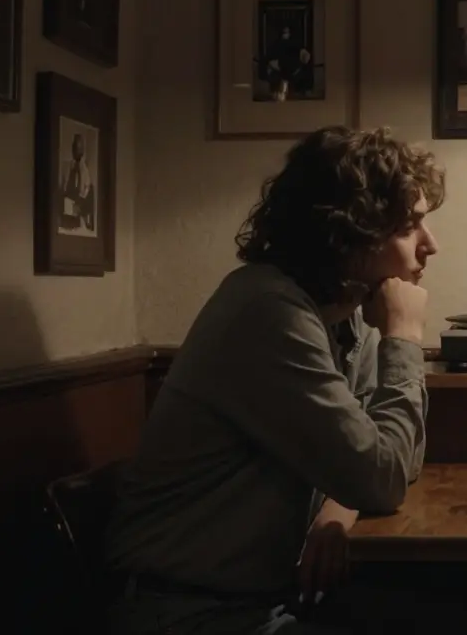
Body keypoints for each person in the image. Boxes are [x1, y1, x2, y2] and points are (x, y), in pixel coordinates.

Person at [104, 126, 444, 634]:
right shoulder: (268, 312)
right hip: (190, 613)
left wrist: (337, 508)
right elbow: (383, 475)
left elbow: (396, 459)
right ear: (351, 233)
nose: (430, 246)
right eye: (410, 226)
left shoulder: (346, 314)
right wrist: (405, 337)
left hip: (265, 602)